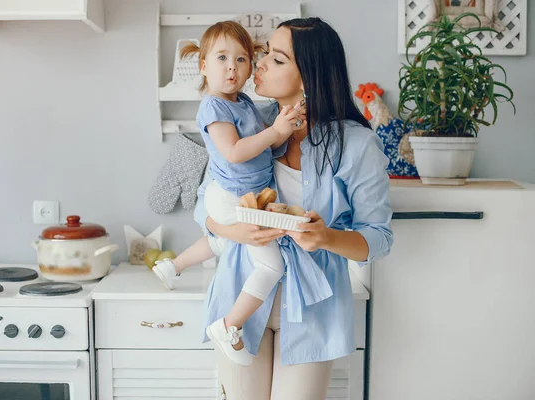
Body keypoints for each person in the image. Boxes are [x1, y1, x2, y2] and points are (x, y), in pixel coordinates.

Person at [193, 17, 393, 400]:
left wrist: (326, 237)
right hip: (240, 294)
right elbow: (206, 201)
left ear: (307, 78)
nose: (260, 63)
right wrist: (231, 230)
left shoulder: (356, 145)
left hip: (312, 307)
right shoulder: (251, 124)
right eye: (265, 52)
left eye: (277, 58)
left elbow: (380, 238)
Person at [152, 21, 303, 366]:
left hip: (245, 194)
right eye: (222, 58)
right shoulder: (213, 107)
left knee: (225, 241)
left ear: (251, 66)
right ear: (204, 66)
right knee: (271, 265)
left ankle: (173, 267)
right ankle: (228, 325)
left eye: (241, 59)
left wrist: (286, 124)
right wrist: (276, 131)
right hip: (230, 195)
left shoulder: (245, 102)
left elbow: (270, 144)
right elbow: (234, 151)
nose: (232, 67)